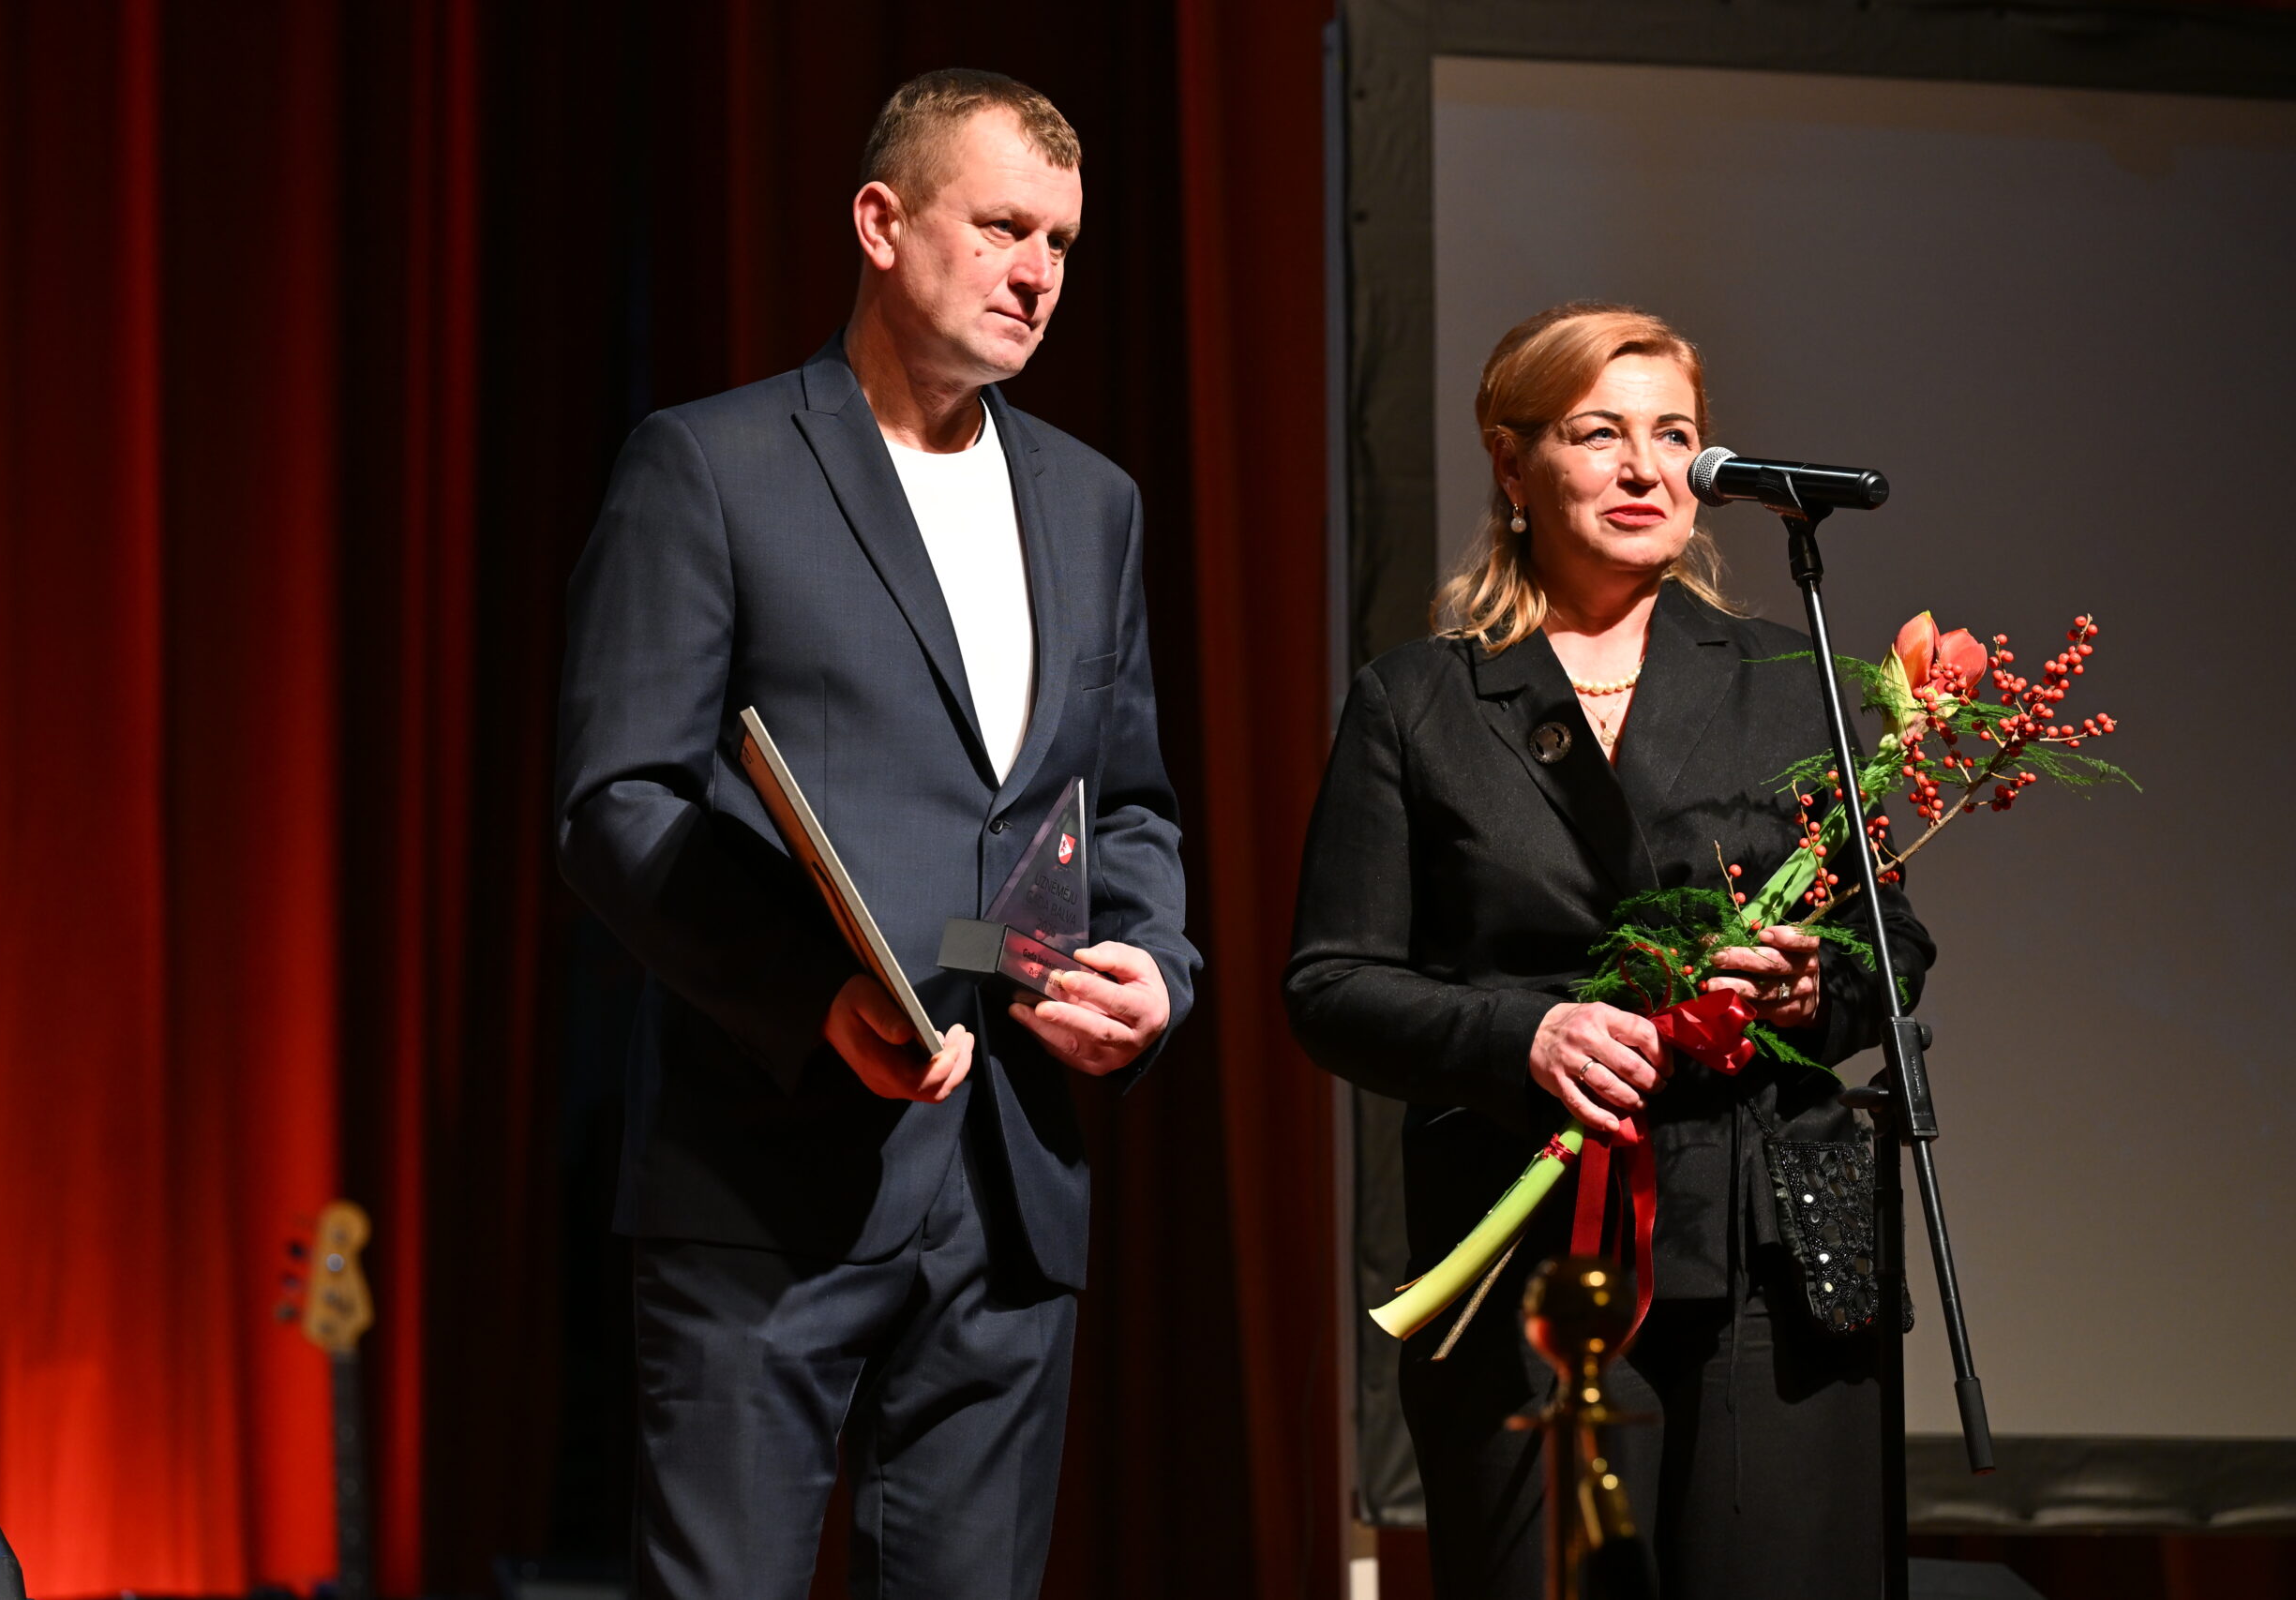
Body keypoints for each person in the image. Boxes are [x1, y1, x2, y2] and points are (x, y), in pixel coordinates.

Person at [555, 69, 1197, 1600]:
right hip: (768, 1171)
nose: (1038, 273)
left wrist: (1155, 967)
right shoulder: (712, 466)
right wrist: (808, 990)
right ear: (881, 223)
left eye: (1061, 242)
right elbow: (615, 804)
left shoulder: (1093, 502)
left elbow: (1128, 804)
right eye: (1002, 228)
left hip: (1008, 1187)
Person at [1283, 302, 1934, 1598]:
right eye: (1598, 433)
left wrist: (1816, 984)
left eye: (1675, 435)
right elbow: (1332, 986)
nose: (1646, 468)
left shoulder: (1792, 678)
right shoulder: (1421, 699)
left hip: (1773, 1256)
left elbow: (1894, 947)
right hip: (1538, 1257)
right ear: (1513, 465)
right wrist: (1524, 1034)